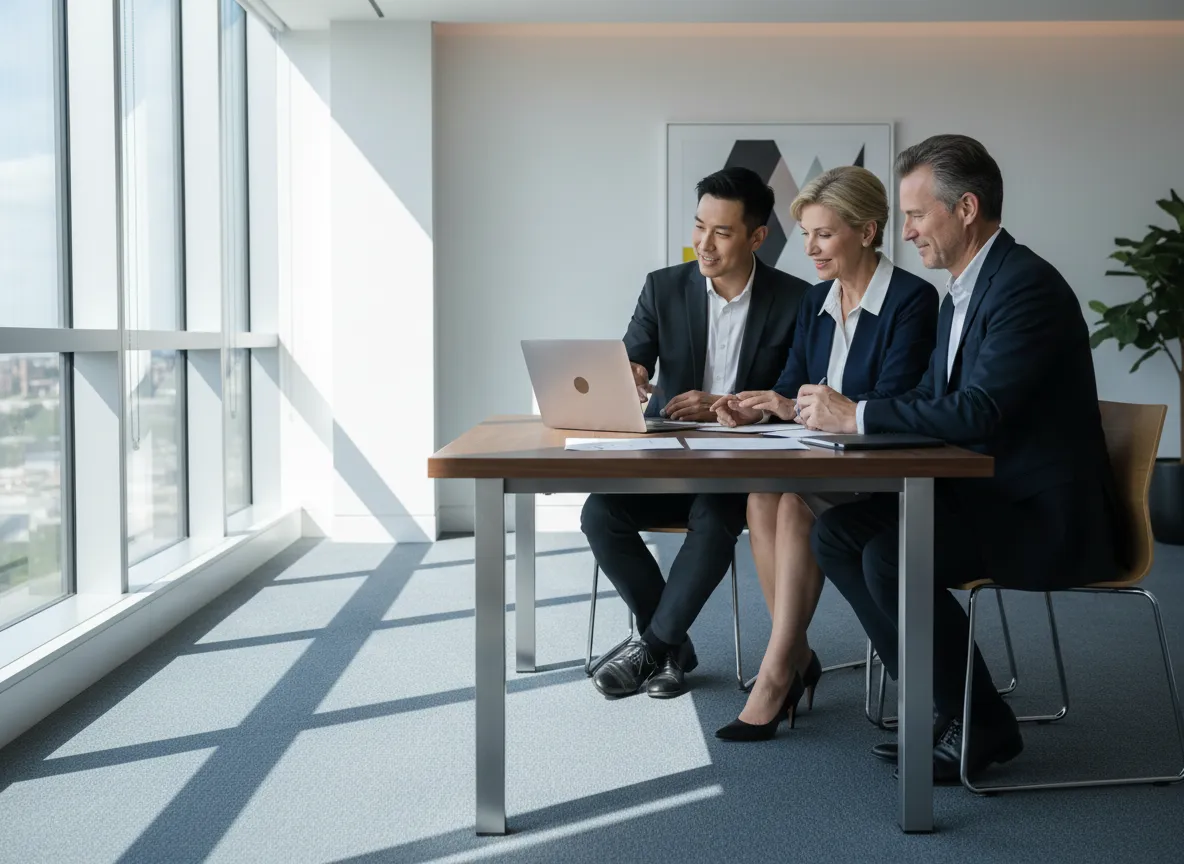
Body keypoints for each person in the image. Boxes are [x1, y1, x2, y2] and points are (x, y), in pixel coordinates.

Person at [799, 134, 1125, 780]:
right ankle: (952, 707)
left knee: (892, 553)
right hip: (986, 499)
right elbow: (930, 397)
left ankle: (975, 721)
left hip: (1042, 516)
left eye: (918, 214)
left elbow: (979, 414)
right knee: (836, 534)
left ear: (966, 208)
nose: (909, 230)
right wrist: (848, 423)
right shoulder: (962, 291)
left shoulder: (1024, 288)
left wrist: (859, 415)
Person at [707, 166, 938, 741]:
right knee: (762, 495)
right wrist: (762, 407)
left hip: (880, 472)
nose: (809, 248)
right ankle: (793, 653)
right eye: (805, 234)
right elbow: (793, 385)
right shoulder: (815, 300)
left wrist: (827, 408)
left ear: (867, 231)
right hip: (820, 461)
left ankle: (778, 670)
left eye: (823, 235)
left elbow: (897, 400)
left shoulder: (912, 300)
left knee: (792, 506)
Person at [582, 167, 810, 699]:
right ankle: (670, 647)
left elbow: (794, 390)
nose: (703, 244)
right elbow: (632, 356)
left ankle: (652, 646)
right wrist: (632, 374)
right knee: (599, 512)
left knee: (713, 516)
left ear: (757, 237)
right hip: (669, 460)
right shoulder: (662, 287)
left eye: (722, 232)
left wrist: (731, 406)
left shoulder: (796, 299)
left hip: (744, 467)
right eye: (699, 226)